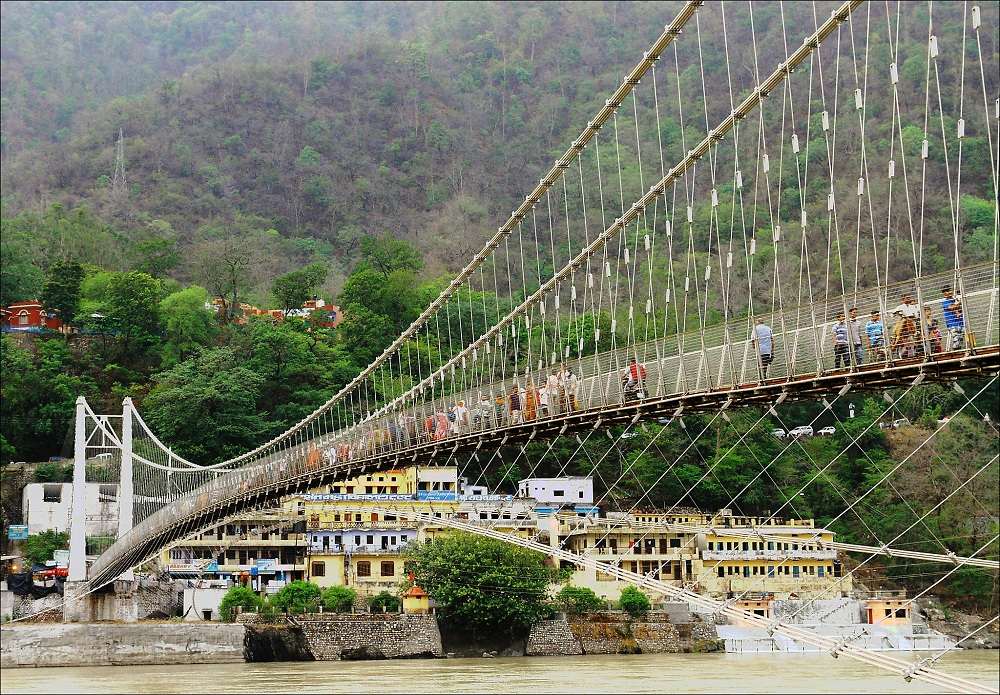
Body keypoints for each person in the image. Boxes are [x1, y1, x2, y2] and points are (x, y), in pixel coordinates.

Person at [941, 286, 965, 350]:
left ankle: (959, 352)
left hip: (960, 323)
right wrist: (959, 302)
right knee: (956, 341)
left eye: (950, 290)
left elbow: (960, 308)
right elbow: (951, 307)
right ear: (944, 293)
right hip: (952, 324)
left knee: (960, 341)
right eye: (947, 291)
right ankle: (955, 353)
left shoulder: (954, 299)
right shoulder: (945, 301)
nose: (950, 292)